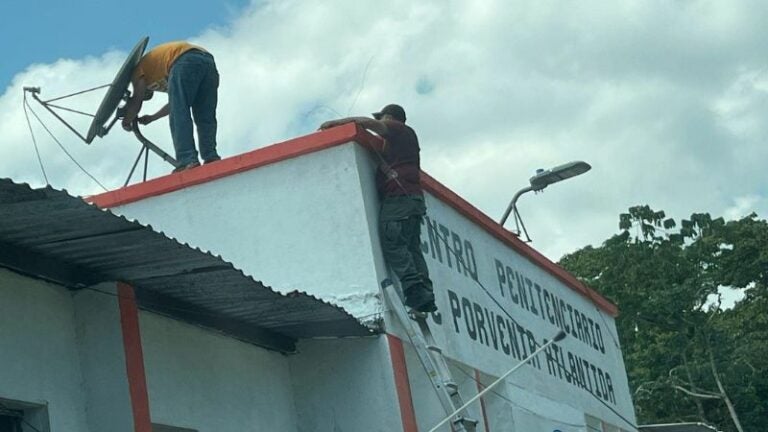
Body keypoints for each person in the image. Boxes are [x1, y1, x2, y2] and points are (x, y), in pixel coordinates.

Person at [320, 104, 437, 313]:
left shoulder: (398, 128)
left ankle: (415, 291)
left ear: (390, 117)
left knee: (393, 241)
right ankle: (425, 293)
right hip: (412, 200)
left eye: (384, 118)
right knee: (411, 247)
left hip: (399, 200)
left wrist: (336, 124)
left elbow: (370, 123)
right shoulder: (404, 143)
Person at [121, 41, 221, 172]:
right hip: (207, 61)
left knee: (179, 116)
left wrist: (127, 120)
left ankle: (187, 160)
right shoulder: (158, 73)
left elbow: (136, 101)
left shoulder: (137, 72)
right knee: (205, 114)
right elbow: (175, 104)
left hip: (183, 59)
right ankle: (211, 157)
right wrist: (153, 117)